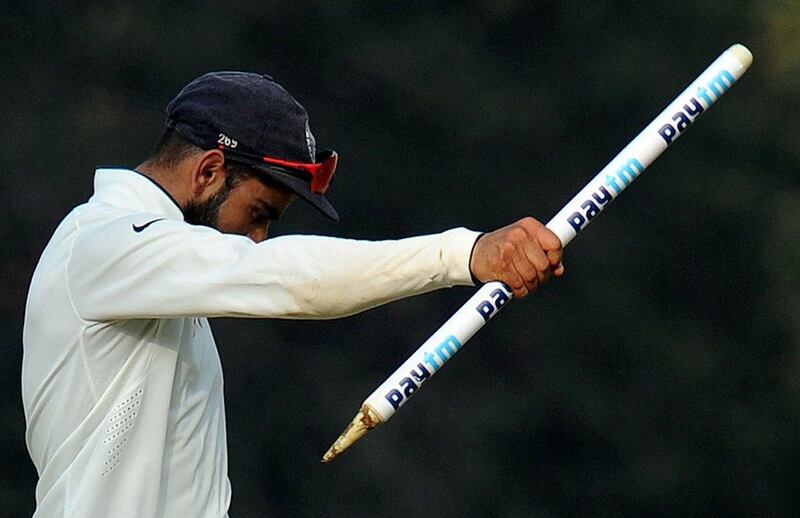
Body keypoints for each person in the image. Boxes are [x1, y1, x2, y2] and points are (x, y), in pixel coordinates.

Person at [22, 71, 564, 517]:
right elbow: (290, 278)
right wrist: (462, 255)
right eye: (259, 216)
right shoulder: (103, 242)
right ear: (209, 170)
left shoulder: (150, 275)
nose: (258, 239)